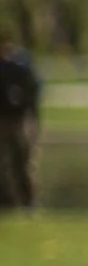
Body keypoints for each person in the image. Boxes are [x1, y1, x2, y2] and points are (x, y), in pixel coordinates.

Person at [0, 43, 40, 209]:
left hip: (17, 120)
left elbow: (31, 95)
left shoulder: (19, 69)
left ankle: (27, 200)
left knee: (22, 161)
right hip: (7, 119)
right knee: (8, 163)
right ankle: (9, 200)